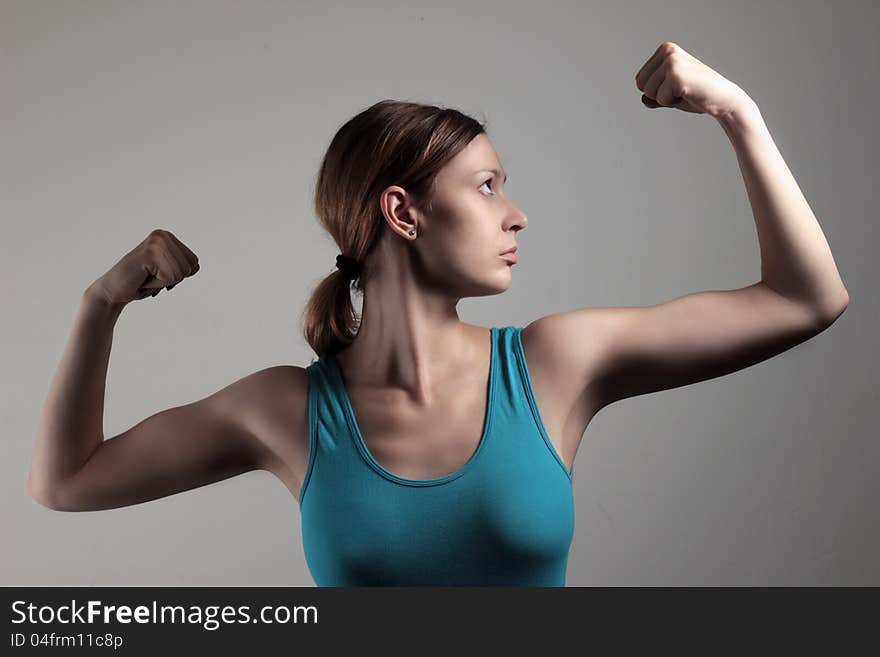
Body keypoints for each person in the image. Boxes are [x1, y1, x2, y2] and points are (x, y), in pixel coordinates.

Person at [26, 46, 850, 586]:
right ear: (404, 212)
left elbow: (805, 299)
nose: (516, 213)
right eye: (488, 185)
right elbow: (67, 482)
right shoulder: (287, 410)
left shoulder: (556, 363)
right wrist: (101, 304)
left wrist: (737, 111)